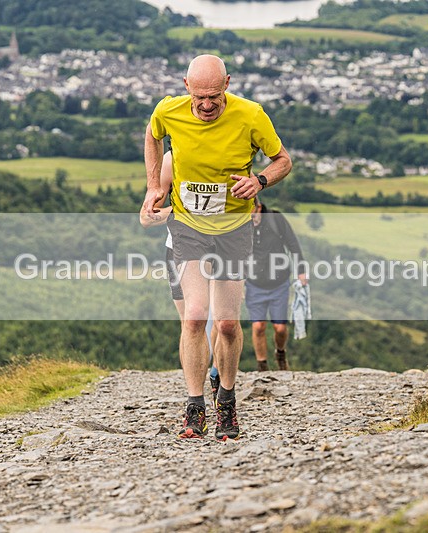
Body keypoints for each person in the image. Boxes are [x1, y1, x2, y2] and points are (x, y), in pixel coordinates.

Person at [143, 54, 292, 440]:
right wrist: (154, 186)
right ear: (186, 85)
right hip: (189, 227)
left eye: (214, 96)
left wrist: (260, 181)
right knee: (194, 316)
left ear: (227, 84)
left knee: (226, 324)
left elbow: (283, 161)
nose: (207, 105)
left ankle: (226, 399)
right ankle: (195, 407)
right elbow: (152, 135)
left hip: (233, 229)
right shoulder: (168, 110)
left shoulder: (251, 115)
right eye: (199, 97)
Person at [139, 151, 220, 405]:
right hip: (180, 248)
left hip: (223, 246)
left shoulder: (229, 146)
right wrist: (183, 210)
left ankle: (217, 376)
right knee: (191, 323)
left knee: (223, 320)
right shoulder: (171, 159)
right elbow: (146, 217)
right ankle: (195, 397)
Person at [246, 197, 307, 371]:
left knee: (280, 328)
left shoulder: (275, 219)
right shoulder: (242, 223)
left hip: (279, 282)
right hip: (254, 282)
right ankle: (262, 366)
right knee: (258, 326)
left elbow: (292, 244)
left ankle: (280, 353)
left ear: (257, 207)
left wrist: (301, 270)